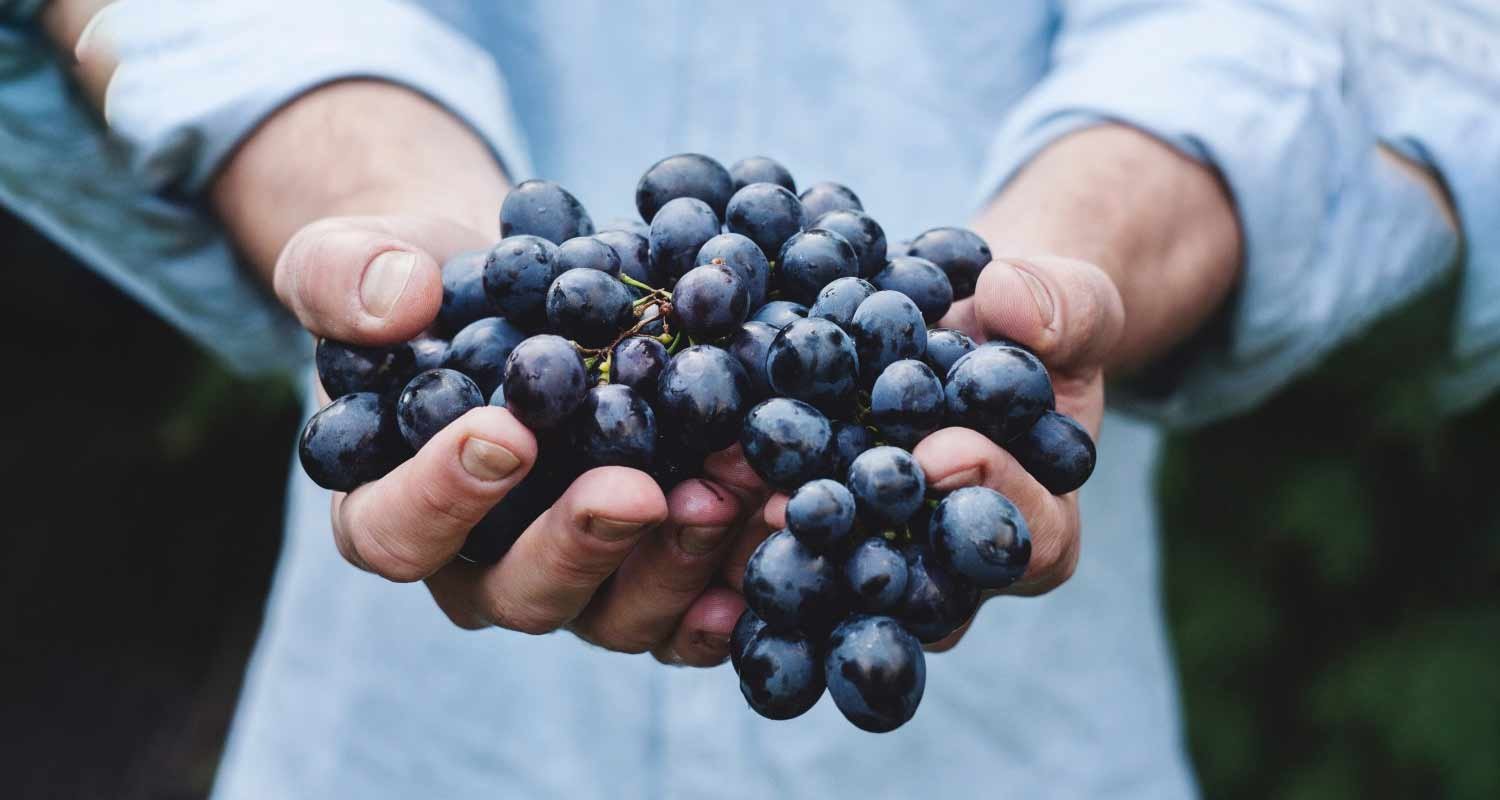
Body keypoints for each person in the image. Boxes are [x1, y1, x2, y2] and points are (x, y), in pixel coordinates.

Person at [1, 1, 1491, 797]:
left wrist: (1087, 247)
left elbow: (1298, 24)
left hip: (1010, 742)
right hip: (416, 749)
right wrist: (375, 191)